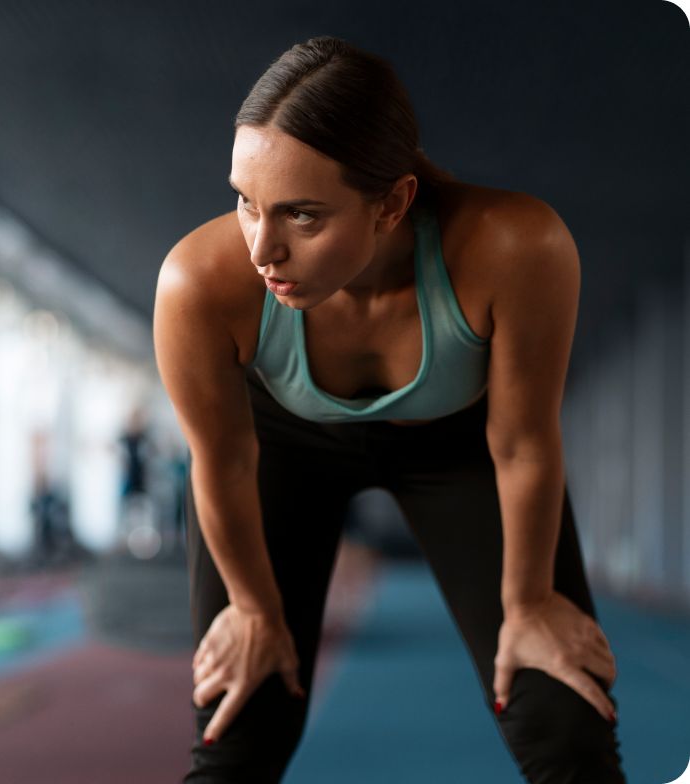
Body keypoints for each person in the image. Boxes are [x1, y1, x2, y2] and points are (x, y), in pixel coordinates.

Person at [153, 36, 625, 783]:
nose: (261, 249)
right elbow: (223, 458)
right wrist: (251, 610)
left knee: (565, 719)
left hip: (460, 448)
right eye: (246, 202)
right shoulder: (198, 283)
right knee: (240, 725)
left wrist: (530, 604)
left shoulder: (514, 247)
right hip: (281, 451)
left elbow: (524, 444)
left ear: (392, 202)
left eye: (302, 216)